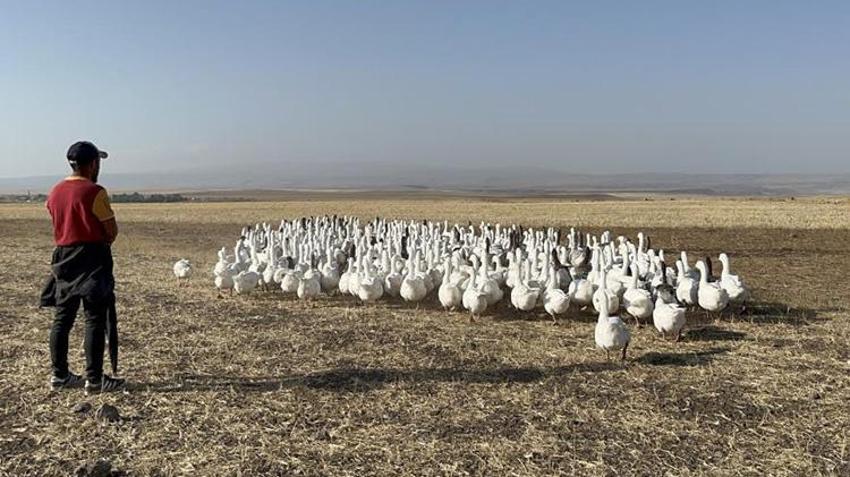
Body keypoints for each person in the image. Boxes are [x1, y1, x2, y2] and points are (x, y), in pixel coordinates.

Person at [41, 141, 125, 394]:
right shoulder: (95, 191)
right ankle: (95, 380)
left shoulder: (54, 191)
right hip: (92, 258)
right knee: (94, 319)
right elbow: (111, 231)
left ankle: (59, 375)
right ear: (92, 164)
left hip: (63, 258)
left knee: (62, 318)